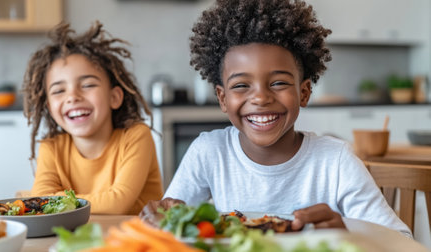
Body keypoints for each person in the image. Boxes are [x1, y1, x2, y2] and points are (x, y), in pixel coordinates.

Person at [140, 0, 412, 237]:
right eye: (240, 86)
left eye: (279, 83)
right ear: (222, 98)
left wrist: (346, 237)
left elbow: (402, 242)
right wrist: (161, 217)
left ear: (303, 92)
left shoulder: (335, 161)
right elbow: (169, 225)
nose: (260, 98)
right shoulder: (209, 152)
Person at [22, 21, 163, 215]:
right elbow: (40, 203)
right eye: (59, 90)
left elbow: (117, 203)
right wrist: (42, 201)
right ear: (50, 108)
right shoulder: (51, 147)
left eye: (88, 85)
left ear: (114, 97)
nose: (72, 97)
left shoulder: (136, 136)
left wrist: (55, 200)